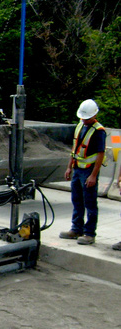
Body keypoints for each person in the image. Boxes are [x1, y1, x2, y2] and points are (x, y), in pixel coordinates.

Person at [59, 99, 106, 245]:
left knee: (90, 202)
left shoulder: (99, 131)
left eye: (87, 118)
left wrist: (93, 175)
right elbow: (75, 150)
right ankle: (76, 228)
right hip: (78, 169)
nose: (84, 120)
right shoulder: (80, 126)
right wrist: (69, 167)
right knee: (77, 200)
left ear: (94, 115)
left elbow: (100, 154)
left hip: (89, 171)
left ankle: (89, 233)